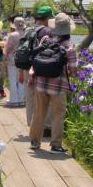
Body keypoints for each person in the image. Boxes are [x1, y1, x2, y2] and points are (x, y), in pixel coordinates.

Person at [29, 12, 77, 153]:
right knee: (58, 114)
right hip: (58, 85)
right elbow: (73, 69)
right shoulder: (69, 46)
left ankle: (35, 141)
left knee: (38, 112)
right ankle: (56, 145)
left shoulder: (45, 39)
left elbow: (36, 59)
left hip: (40, 82)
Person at [25, 6, 54, 127]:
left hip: (28, 66)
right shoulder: (47, 31)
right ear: (46, 18)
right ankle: (45, 125)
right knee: (44, 97)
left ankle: (31, 124)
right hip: (42, 67)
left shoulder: (29, 29)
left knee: (30, 96)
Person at [3, 16, 27, 107]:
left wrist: (4, 58)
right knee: (21, 81)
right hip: (24, 61)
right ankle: (21, 99)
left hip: (13, 61)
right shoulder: (27, 34)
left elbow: (7, 49)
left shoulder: (12, 35)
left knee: (13, 81)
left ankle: (14, 100)